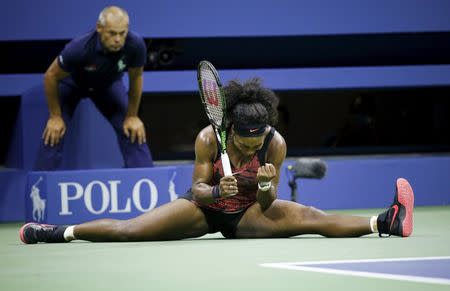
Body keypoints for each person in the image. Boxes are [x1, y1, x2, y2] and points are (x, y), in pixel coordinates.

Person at [20, 78, 414, 244]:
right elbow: (196, 190)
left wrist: (262, 185)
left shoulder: (274, 144)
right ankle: (55, 232)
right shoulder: (209, 137)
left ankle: (386, 222)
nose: (249, 147)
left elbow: (267, 202)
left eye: (257, 139)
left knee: (310, 216)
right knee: (129, 231)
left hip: (246, 214)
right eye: (243, 140)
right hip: (203, 210)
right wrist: (215, 191)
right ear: (231, 129)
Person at [34, 6, 153, 170]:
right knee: (54, 132)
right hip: (72, 85)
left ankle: (145, 180)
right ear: (99, 28)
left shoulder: (135, 45)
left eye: (122, 33)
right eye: (112, 33)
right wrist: (55, 116)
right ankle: (40, 188)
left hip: (107, 86)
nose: (118, 39)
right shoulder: (79, 48)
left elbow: (136, 77)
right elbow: (50, 76)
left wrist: (132, 115)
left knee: (132, 129)